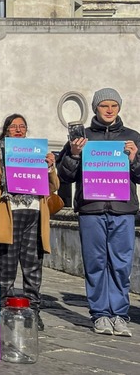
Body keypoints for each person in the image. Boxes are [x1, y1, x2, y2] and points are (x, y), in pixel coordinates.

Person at [57, 88, 140, 337]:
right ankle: (101, 314)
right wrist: (73, 154)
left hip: (123, 209)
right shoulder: (82, 137)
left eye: (114, 105)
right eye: (104, 105)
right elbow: (64, 175)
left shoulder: (132, 137)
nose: (109, 110)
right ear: (95, 108)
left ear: (119, 108)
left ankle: (120, 314)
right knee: (95, 263)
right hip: (91, 209)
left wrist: (135, 159)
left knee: (121, 264)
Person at [0, 114, 60, 331]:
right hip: (8, 212)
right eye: (14, 127)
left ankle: (33, 311)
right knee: (7, 266)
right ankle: (5, 309)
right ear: (6, 130)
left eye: (23, 126)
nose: (19, 130)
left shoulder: (37, 152)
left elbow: (54, 186)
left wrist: (50, 167)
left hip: (34, 213)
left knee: (33, 266)